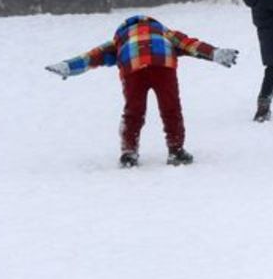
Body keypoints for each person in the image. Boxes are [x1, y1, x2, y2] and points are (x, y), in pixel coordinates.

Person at [44, 15, 239, 167]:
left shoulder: (120, 38)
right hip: (163, 66)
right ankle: (176, 151)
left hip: (133, 69)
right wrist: (214, 53)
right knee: (171, 109)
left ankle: (129, 152)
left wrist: (68, 67)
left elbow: (92, 56)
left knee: (133, 112)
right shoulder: (164, 32)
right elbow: (190, 44)